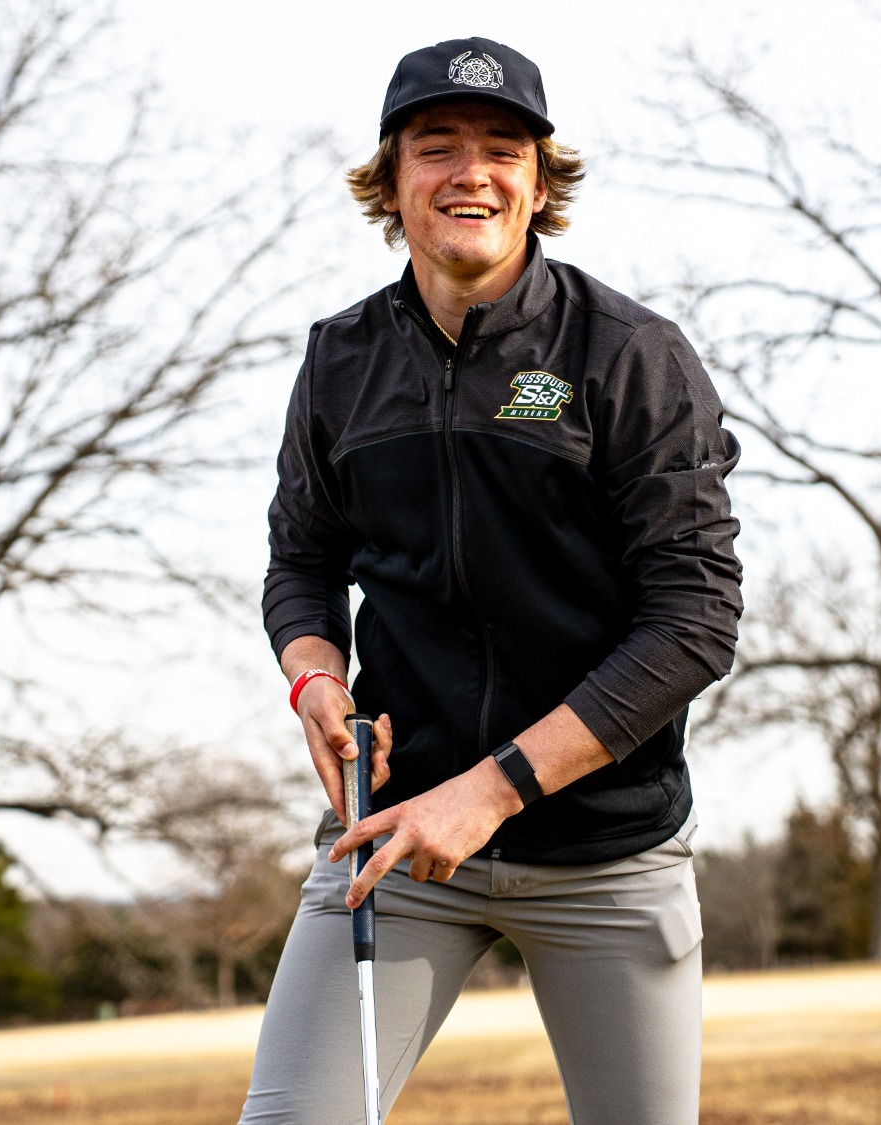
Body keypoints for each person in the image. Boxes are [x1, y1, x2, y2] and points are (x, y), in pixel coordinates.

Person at [241, 36, 742, 1125]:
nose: (470, 169)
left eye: (500, 147)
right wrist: (315, 682)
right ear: (391, 179)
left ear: (536, 179)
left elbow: (694, 620)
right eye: (436, 146)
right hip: (399, 836)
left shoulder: (626, 354)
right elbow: (303, 562)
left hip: (606, 848)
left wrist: (494, 788)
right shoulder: (338, 361)